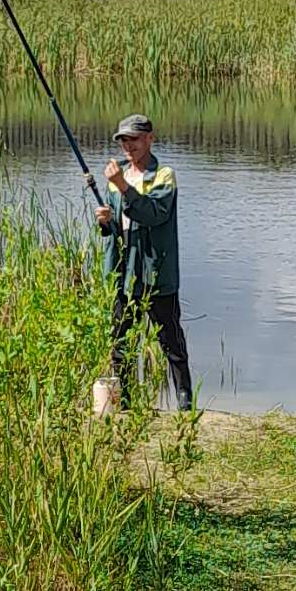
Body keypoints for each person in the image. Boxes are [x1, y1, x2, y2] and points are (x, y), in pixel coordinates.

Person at [95, 113, 193, 411]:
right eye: (123, 140)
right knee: (121, 341)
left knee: (170, 340)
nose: (128, 146)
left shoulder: (164, 175)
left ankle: (185, 401)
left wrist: (123, 186)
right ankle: (124, 403)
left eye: (134, 139)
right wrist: (105, 222)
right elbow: (117, 229)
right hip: (124, 274)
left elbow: (154, 214)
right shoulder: (117, 178)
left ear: (149, 138)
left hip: (156, 273)